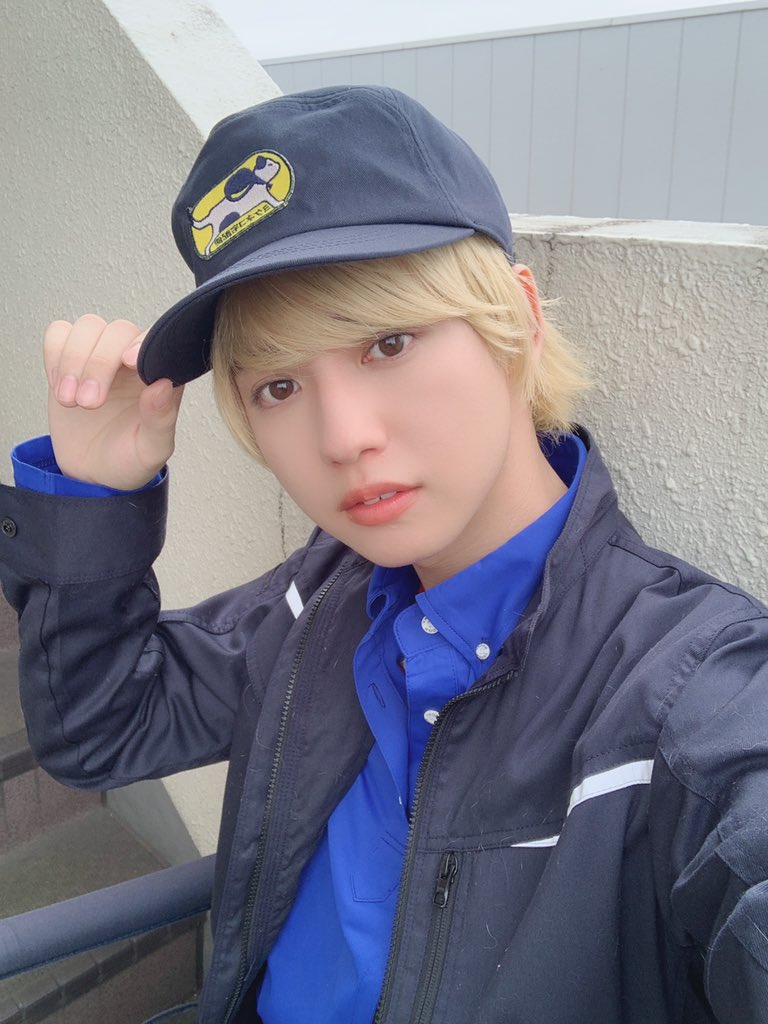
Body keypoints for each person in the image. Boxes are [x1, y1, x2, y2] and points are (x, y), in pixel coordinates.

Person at [0, 86, 766, 1024]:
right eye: (279, 386)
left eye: (388, 342)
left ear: (520, 319)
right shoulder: (322, 601)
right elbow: (100, 730)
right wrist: (95, 497)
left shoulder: (691, 695)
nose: (342, 437)